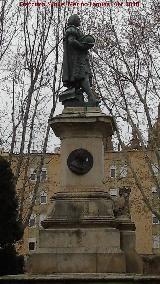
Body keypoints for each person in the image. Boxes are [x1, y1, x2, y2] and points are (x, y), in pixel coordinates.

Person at [62, 14, 96, 103]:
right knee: (83, 76)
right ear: (74, 20)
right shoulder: (71, 29)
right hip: (76, 60)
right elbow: (71, 41)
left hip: (80, 58)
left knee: (84, 77)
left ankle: (81, 96)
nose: (80, 21)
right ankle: (91, 97)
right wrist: (82, 46)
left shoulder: (75, 30)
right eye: (78, 19)